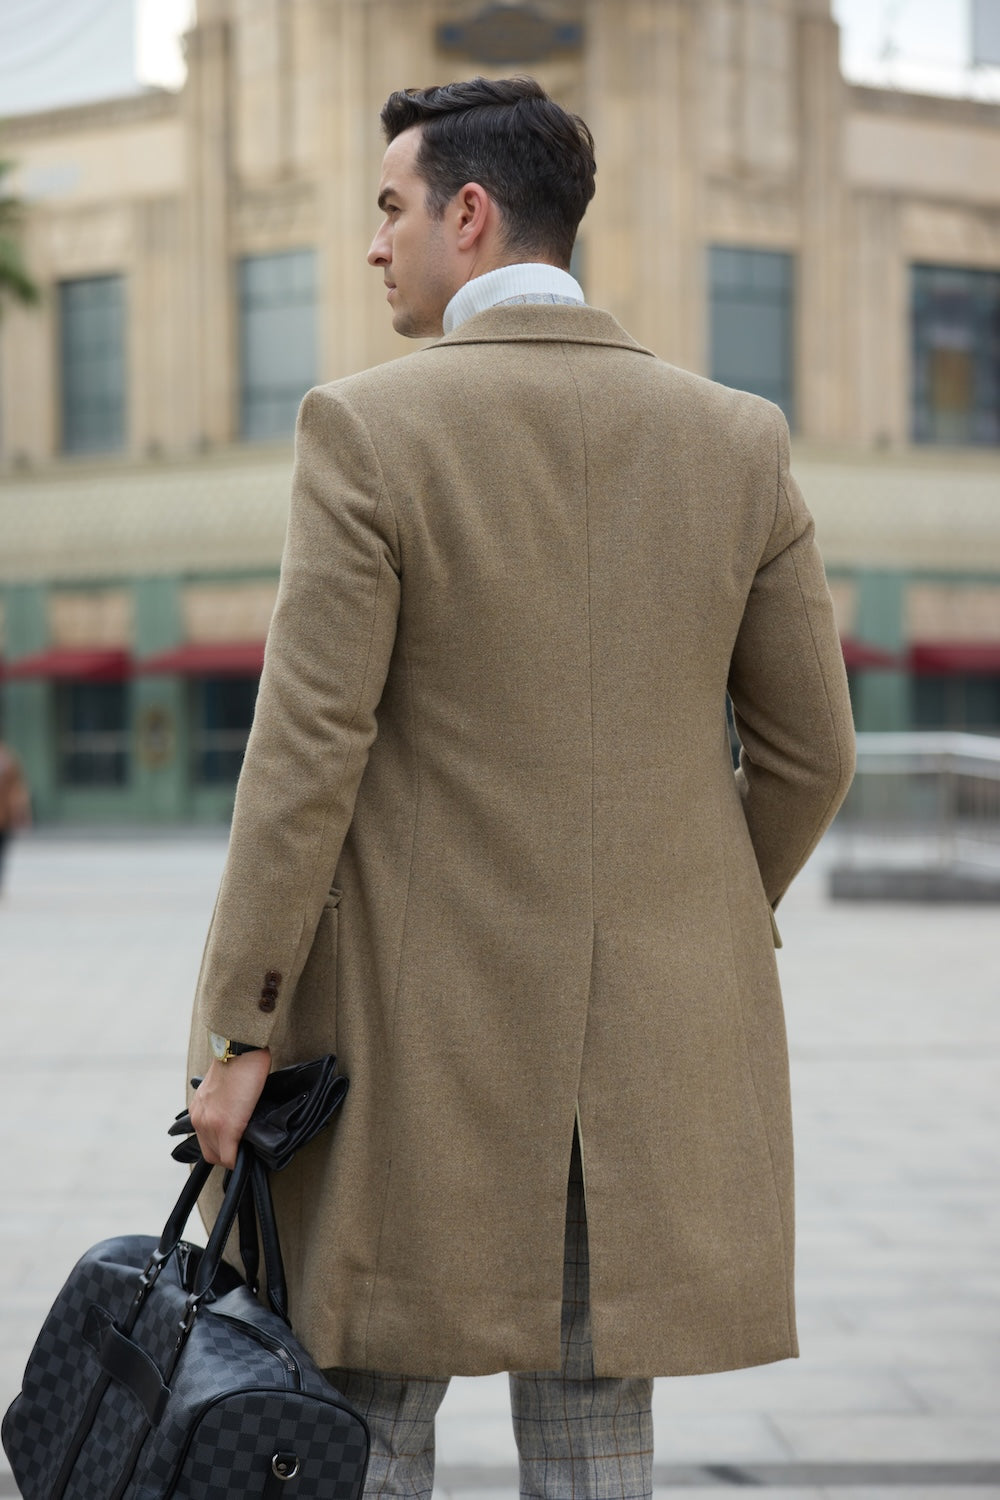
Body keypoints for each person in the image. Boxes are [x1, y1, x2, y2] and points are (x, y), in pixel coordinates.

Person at [188, 76, 855, 1500]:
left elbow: (305, 754)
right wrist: (703, 914)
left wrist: (237, 1032)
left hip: (404, 1060)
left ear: (469, 216)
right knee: (597, 1451)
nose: (375, 246)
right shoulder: (738, 438)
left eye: (390, 209)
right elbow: (813, 752)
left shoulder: (366, 432)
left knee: (360, 1434)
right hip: (638, 1069)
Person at [0, 738, 31, 893]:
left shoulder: (7, 759)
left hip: (4, 816)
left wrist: (20, 812)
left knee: (2, 851)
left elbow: (16, 788)